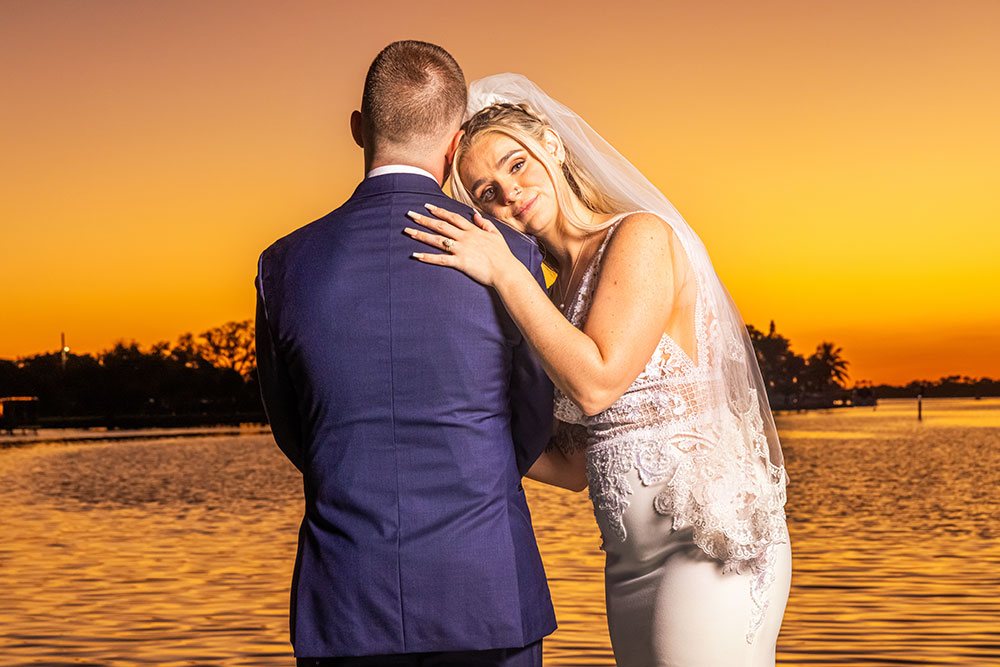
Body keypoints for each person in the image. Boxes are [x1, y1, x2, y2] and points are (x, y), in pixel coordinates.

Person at [406, 73, 792, 666]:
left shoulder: (639, 236)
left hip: (708, 550)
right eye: (485, 192)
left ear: (552, 147)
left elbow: (597, 382)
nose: (509, 193)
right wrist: (451, 427)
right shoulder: (553, 304)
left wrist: (503, 272)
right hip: (630, 567)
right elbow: (571, 467)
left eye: (516, 164)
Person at [255, 47, 556, 667]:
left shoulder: (282, 264)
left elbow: (294, 430)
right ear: (455, 144)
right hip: (487, 591)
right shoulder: (508, 255)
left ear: (359, 129)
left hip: (345, 601)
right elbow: (532, 420)